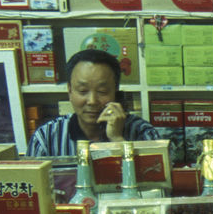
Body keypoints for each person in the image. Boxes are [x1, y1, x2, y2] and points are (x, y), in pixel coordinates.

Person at [27, 48, 166, 157]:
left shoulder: (142, 133)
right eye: (82, 91)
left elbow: (159, 185)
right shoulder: (46, 138)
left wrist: (117, 139)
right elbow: (34, 189)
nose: (92, 101)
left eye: (102, 91)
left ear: (116, 91)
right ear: (69, 90)